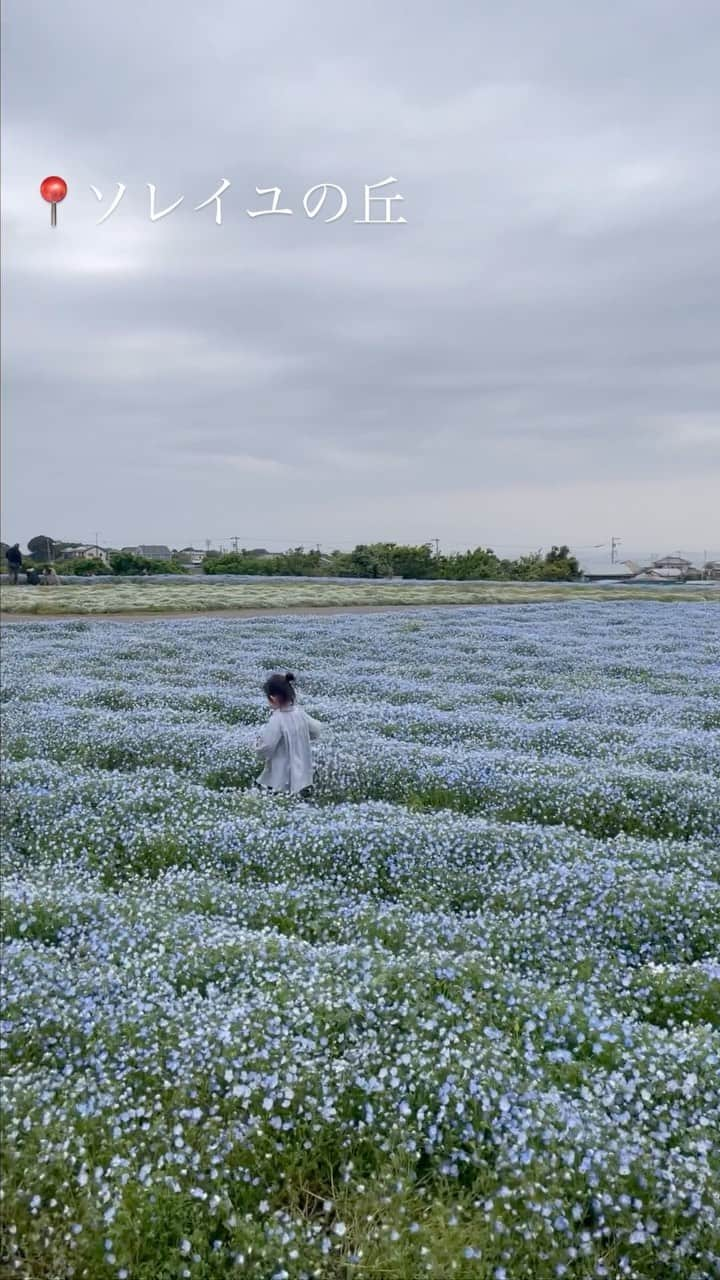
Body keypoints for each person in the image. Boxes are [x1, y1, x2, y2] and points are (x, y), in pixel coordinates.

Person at [255, 672, 322, 796]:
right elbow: (316, 730)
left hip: (280, 778)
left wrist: (257, 744)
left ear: (273, 698)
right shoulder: (300, 713)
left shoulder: (277, 719)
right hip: (303, 776)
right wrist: (303, 737)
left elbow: (267, 747)